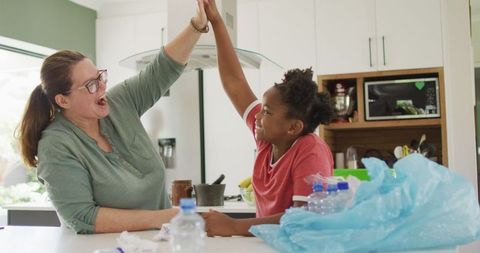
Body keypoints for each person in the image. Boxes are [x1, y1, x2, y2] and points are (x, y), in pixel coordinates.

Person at [17, 0, 209, 234]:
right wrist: (165, 217)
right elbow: (82, 217)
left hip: (158, 243)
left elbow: (162, 69)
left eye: (100, 77)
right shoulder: (56, 145)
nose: (101, 87)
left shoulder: (119, 104)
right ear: (63, 100)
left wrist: (197, 25)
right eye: (90, 85)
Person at [202, 0, 335, 237]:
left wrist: (233, 226)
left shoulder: (310, 149)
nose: (259, 117)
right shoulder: (268, 139)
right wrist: (217, 21)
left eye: (267, 112)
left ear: (293, 127)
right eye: (262, 109)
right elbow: (235, 83)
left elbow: (304, 218)